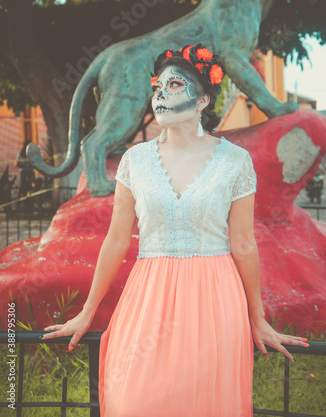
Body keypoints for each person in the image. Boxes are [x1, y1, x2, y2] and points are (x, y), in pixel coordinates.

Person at [41, 44, 308, 416]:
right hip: (149, 295)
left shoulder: (235, 161)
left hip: (216, 298)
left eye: (174, 86)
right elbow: (117, 240)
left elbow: (244, 244)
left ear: (202, 101)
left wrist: (257, 318)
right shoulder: (135, 161)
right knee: (134, 401)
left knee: (206, 403)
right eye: (156, 88)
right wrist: (88, 310)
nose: (160, 95)